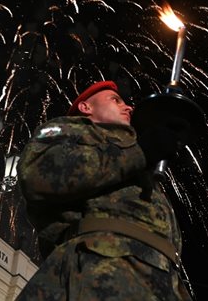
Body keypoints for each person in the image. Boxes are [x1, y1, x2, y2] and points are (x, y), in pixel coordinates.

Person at [16, 81, 192, 300]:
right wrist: (139, 152)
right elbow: (39, 174)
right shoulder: (70, 130)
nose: (128, 107)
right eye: (115, 100)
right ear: (86, 107)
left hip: (161, 280)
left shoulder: (130, 156)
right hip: (103, 270)